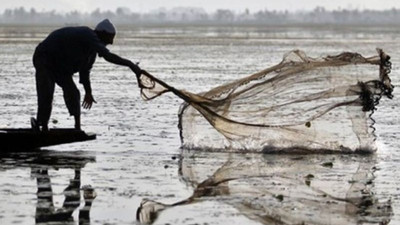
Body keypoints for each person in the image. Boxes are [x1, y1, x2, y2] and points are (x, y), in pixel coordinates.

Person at [31, 19, 141, 131]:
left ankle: (77, 128)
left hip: (61, 66)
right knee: (47, 92)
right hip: (44, 58)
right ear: (101, 34)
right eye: (110, 38)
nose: (111, 43)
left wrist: (88, 92)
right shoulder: (88, 34)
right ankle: (41, 125)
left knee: (73, 93)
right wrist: (130, 64)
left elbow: (84, 73)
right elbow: (107, 55)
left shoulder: (91, 54)